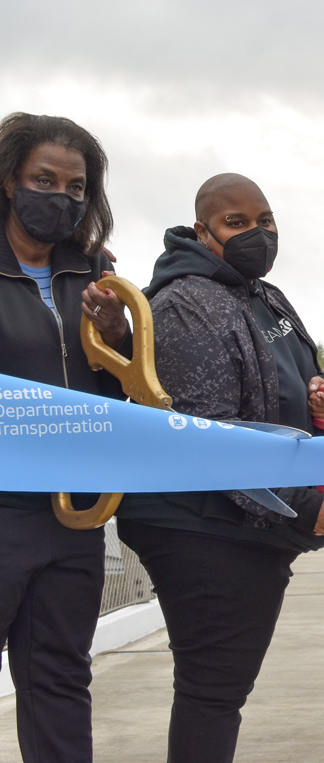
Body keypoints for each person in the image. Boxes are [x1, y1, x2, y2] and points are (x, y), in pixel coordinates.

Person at [117, 173, 324, 763]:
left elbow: (297, 373)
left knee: (220, 693)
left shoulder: (263, 294)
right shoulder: (184, 305)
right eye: (236, 223)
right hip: (200, 528)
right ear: (202, 231)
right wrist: (304, 500)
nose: (256, 234)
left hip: (250, 525)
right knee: (211, 693)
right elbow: (209, 439)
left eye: (265, 221)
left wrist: (318, 396)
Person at [0, 112, 130, 762]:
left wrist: (116, 337)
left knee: (58, 679)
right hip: (3, 507)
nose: (60, 197)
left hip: (74, 515)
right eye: (43, 180)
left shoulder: (97, 275)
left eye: (75, 187)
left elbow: (128, 389)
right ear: (8, 180)